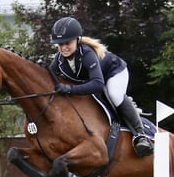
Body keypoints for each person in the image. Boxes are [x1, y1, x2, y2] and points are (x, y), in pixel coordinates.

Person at [49, 17, 154, 157]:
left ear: (77, 40)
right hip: (97, 78)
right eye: (60, 44)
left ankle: (140, 135)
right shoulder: (59, 61)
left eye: (67, 43)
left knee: (114, 95)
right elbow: (48, 79)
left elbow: (98, 84)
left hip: (114, 72)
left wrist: (69, 89)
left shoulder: (86, 53)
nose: (63, 48)